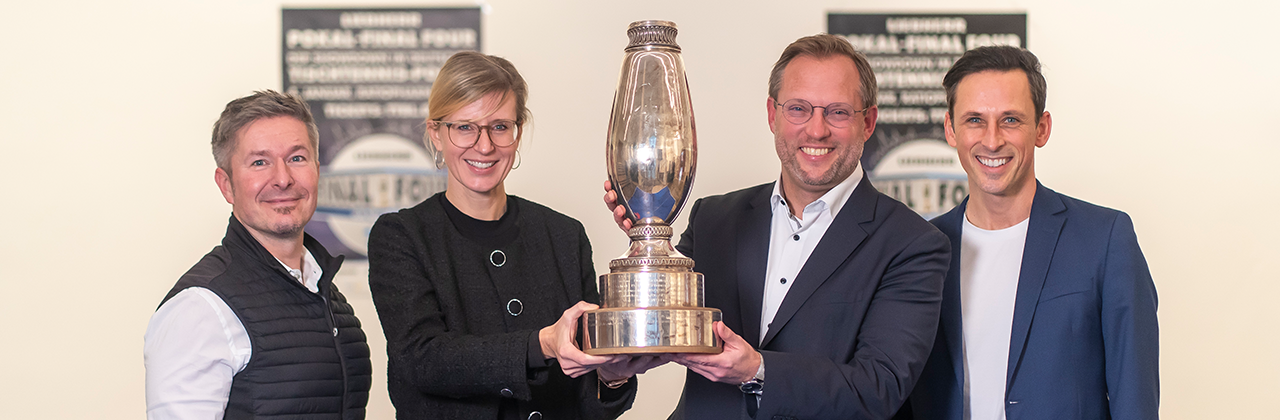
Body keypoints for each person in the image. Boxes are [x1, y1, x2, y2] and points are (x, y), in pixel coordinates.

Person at [605, 34, 951, 419]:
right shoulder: (714, 220)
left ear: (868, 122)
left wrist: (758, 371)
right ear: (773, 115)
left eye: (837, 112)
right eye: (798, 109)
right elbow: (665, 330)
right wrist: (648, 244)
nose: (816, 130)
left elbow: (879, 387)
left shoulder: (912, 244)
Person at [367, 51, 657, 420]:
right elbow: (423, 361)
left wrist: (611, 376)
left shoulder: (564, 235)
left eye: (500, 126)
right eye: (464, 127)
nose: (484, 146)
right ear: (436, 134)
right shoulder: (402, 237)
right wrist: (542, 345)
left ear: (518, 132)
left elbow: (587, 394)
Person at [896, 46, 1159, 420]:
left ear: (1042, 128)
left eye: (1010, 120)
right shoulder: (921, 249)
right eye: (974, 120)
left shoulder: (1105, 240)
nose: (991, 140)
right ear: (950, 130)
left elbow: (1135, 402)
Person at [144, 90, 372, 419]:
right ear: (226, 184)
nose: (282, 179)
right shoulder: (201, 308)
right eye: (259, 163)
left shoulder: (322, 290)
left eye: (297, 158)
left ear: (317, 170)